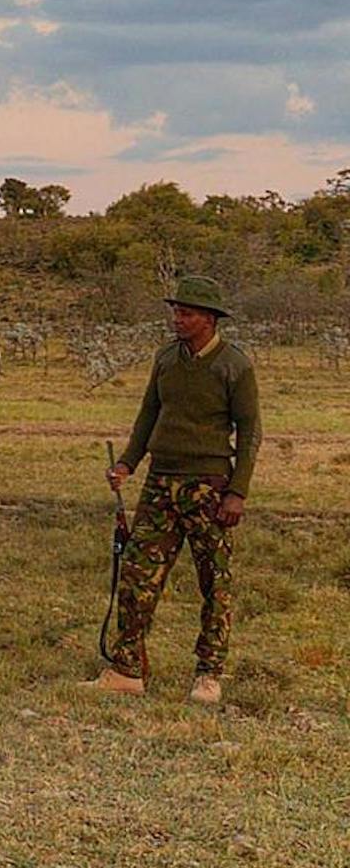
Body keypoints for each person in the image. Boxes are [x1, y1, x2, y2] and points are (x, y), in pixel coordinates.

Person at [96, 272, 261, 707]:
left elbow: (249, 432)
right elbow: (148, 414)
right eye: (175, 311)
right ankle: (127, 669)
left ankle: (209, 674)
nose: (177, 319)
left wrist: (237, 492)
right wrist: (127, 463)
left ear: (209, 318)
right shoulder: (166, 359)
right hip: (159, 484)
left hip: (209, 486)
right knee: (136, 575)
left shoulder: (235, 366)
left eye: (185, 313)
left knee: (215, 582)